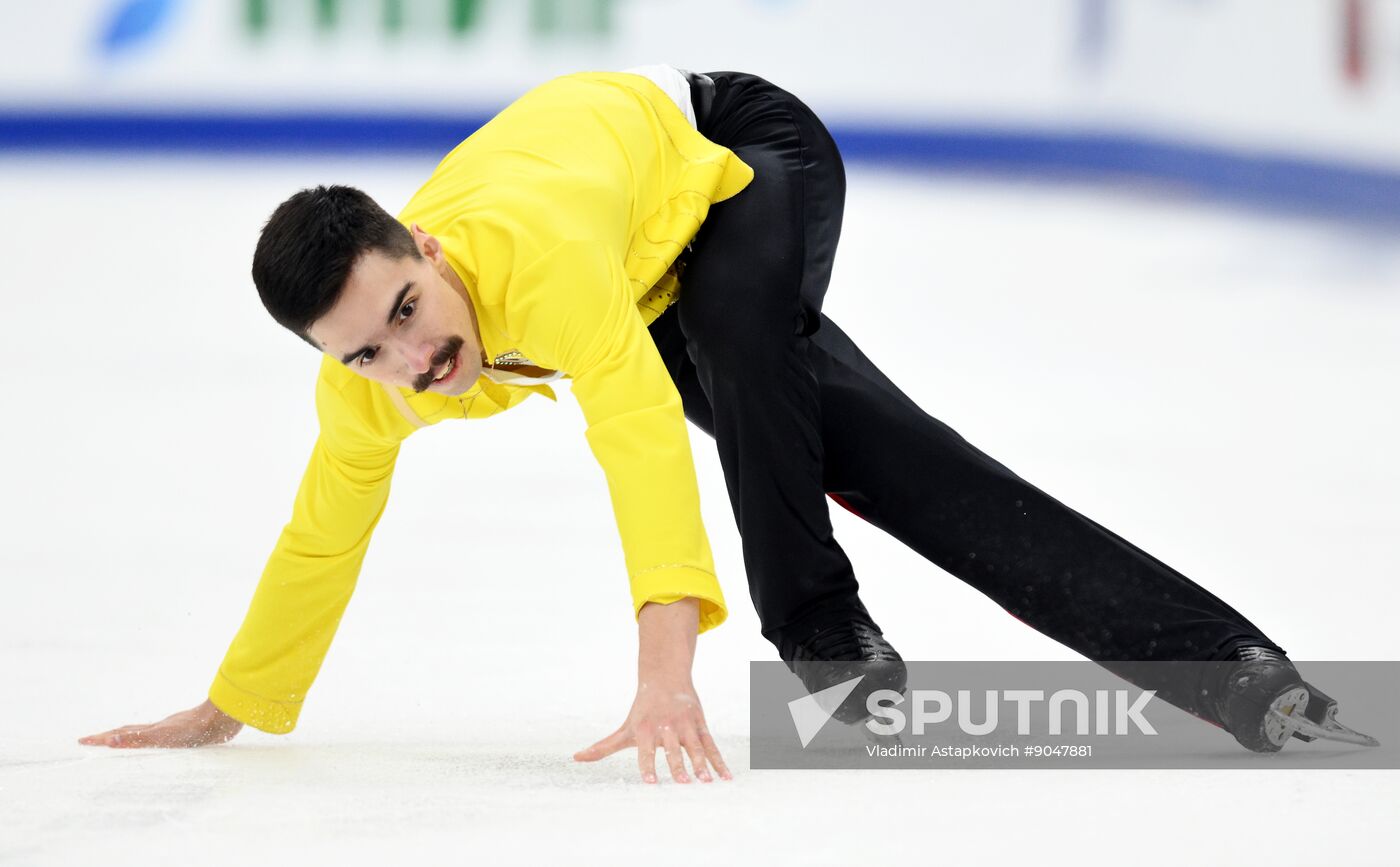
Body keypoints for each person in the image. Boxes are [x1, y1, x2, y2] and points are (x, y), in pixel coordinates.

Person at [80, 66, 1373, 772]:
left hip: (740, 155)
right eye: (368, 351)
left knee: (747, 348)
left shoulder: (542, 259)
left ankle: (828, 650)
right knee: (881, 457)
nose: (416, 361)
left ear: (425, 246)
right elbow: (325, 533)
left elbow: (638, 443)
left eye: (411, 311)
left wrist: (663, 681)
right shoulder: (373, 381)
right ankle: (1226, 670)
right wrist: (235, 702)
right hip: (658, 283)